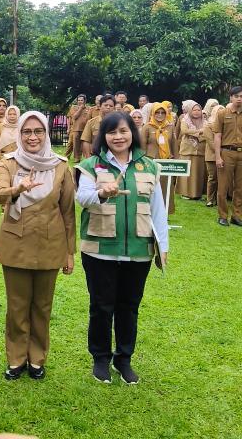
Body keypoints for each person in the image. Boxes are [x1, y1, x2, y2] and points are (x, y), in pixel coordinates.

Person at [75, 112, 169, 385]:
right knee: (101, 306)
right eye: (112, 132)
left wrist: (163, 245)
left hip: (138, 250)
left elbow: (157, 210)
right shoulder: (92, 165)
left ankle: (123, 359)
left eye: (123, 131)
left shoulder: (148, 166)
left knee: (129, 307)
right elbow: (81, 197)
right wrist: (102, 193)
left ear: (132, 134)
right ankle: (101, 359)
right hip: (99, 250)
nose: (118, 137)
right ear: (103, 136)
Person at [0, 111, 75, 380]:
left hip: (50, 244)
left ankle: (37, 359)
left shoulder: (60, 166)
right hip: (16, 243)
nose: (32, 137)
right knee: (17, 306)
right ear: (19, 134)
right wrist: (18, 189)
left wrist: (70, 252)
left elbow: (68, 212)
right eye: (27, 132)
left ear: (46, 133)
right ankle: (16, 359)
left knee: (42, 306)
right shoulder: (9, 163)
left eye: (38, 131)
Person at [213, 86, 242, 226]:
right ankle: (223, 215)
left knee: (240, 188)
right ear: (230, 97)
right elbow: (217, 136)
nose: (239, 99)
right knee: (223, 187)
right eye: (236, 96)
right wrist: (218, 156)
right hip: (226, 152)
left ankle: (237, 216)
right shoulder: (222, 113)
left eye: (241, 96)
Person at [141, 103, 177, 213]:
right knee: (151, 187)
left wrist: (176, 160)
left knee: (165, 186)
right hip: (150, 161)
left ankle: (165, 211)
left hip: (165, 161)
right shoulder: (147, 126)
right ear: (153, 113)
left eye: (162, 112)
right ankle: (149, 210)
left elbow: (174, 145)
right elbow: (142, 146)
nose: (160, 115)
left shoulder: (170, 126)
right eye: (157, 112)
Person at [176, 100, 206, 200]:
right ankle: (185, 193)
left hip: (201, 151)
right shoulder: (185, 120)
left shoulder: (205, 121)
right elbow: (184, 131)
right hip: (187, 150)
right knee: (187, 173)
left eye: (199, 110)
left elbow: (207, 133)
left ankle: (197, 194)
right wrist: (198, 132)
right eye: (194, 110)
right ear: (190, 111)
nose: (197, 112)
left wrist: (196, 133)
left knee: (198, 173)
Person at [81, 95, 116, 159]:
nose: (108, 107)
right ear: (100, 106)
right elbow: (86, 141)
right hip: (96, 156)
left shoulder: (118, 123)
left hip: (113, 157)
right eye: (105, 105)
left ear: (114, 108)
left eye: (111, 106)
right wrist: (89, 158)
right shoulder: (91, 123)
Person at [203, 99, 222, 207]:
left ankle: (220, 200)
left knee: (222, 179)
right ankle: (210, 199)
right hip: (212, 156)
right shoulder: (208, 125)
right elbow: (211, 143)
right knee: (213, 178)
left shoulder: (223, 125)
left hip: (224, 155)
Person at [0, 105, 20, 170]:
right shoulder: (0, 127)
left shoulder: (21, 127)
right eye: (10, 114)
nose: (12, 116)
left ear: (18, 115)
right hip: (2, 158)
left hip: (18, 159)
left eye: (14, 114)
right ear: (6, 115)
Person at [66, 95, 89, 162]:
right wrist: (80, 108)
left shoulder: (88, 108)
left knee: (83, 145)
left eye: (81, 100)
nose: (80, 102)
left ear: (84, 101)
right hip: (75, 129)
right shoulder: (74, 107)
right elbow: (74, 117)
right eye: (78, 100)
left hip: (85, 129)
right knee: (75, 144)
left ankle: (80, 157)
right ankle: (74, 157)